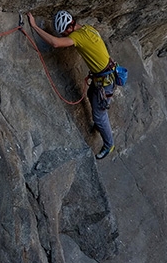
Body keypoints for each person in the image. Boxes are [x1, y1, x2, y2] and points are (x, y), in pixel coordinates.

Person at [27, 10, 116, 160]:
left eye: (64, 33)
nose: (65, 37)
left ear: (68, 29)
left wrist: (34, 26)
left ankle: (109, 144)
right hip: (104, 75)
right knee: (90, 95)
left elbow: (55, 43)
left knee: (99, 116)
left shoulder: (76, 37)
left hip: (105, 81)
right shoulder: (88, 29)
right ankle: (100, 122)